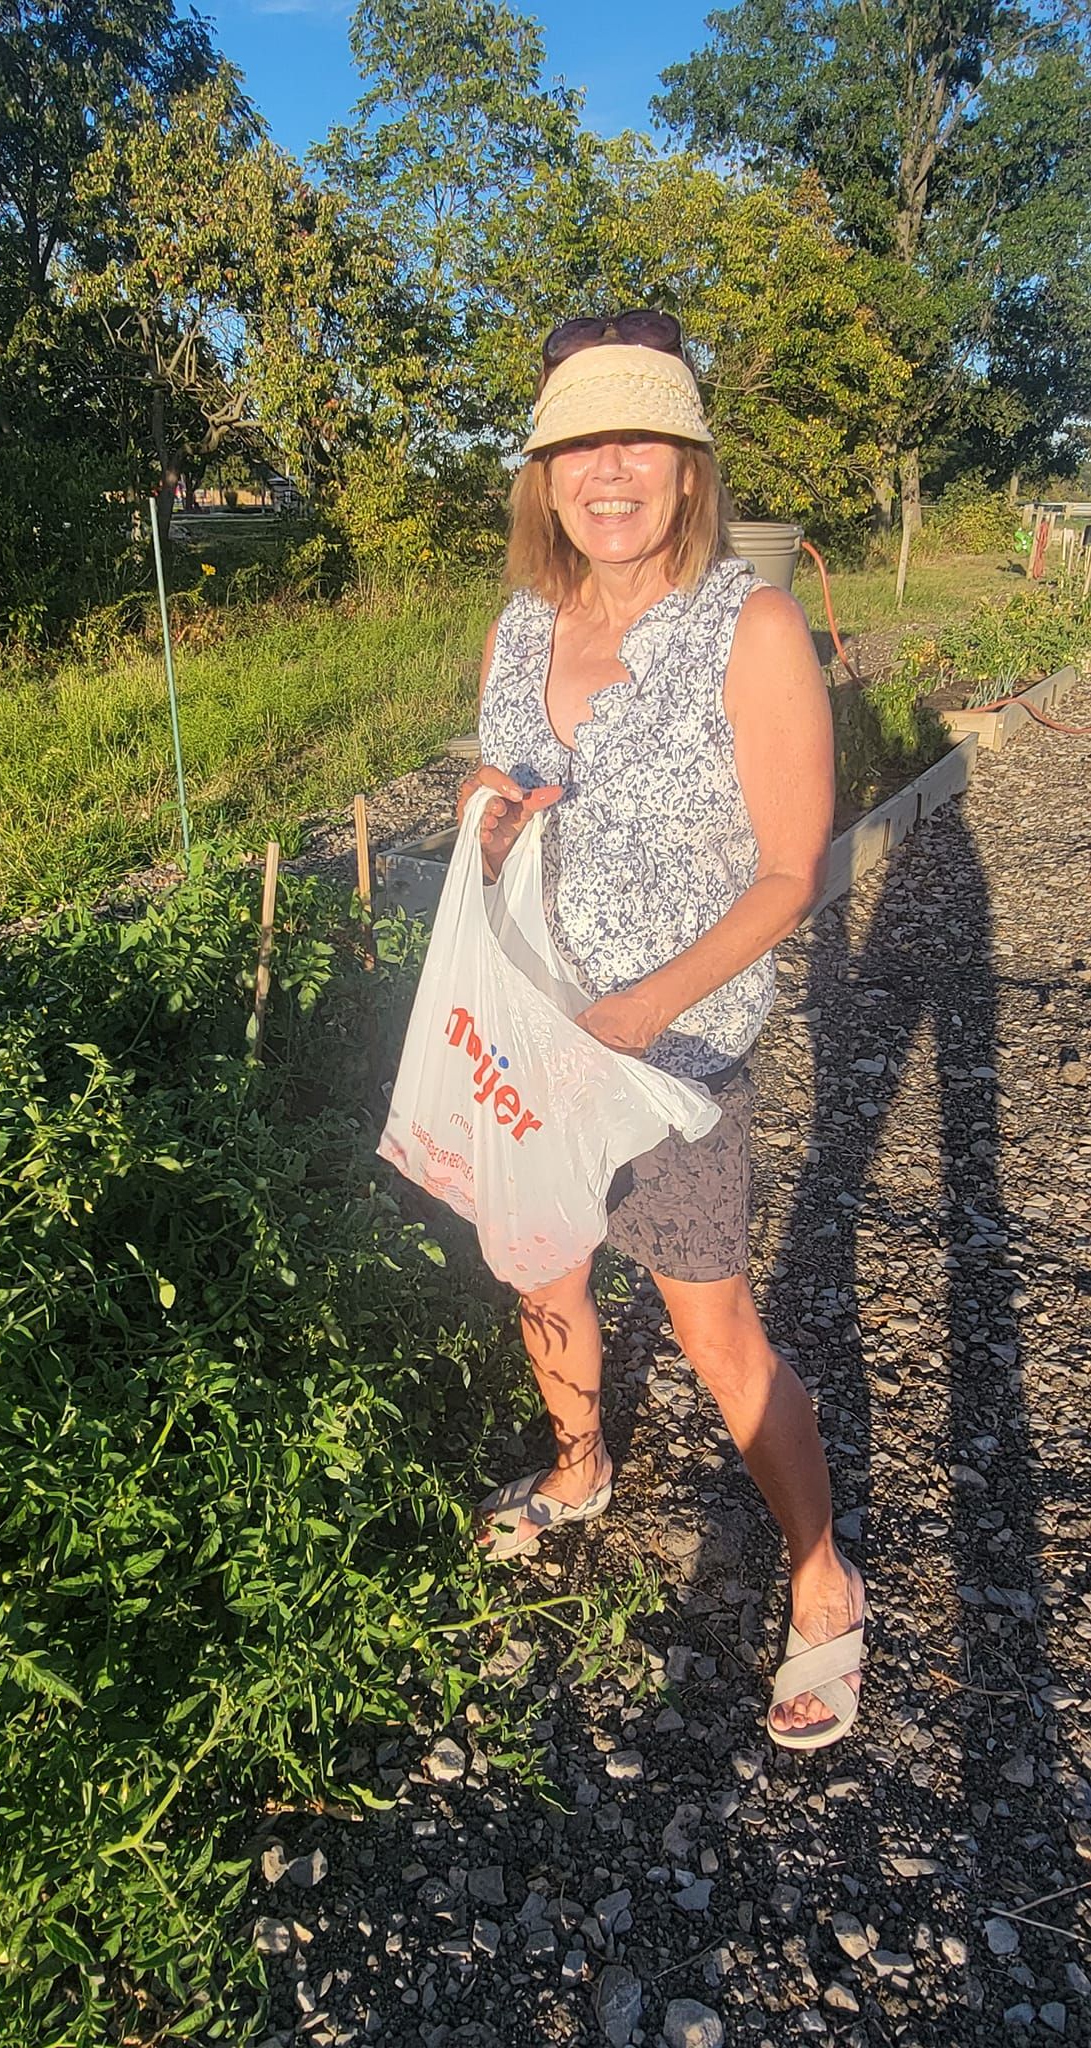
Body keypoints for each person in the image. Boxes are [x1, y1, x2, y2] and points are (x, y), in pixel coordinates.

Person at [456, 310, 865, 1751]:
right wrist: (489, 809)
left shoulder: (744, 626)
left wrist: (641, 1008)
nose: (606, 471)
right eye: (578, 445)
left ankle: (822, 1581)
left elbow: (790, 870)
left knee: (708, 1325)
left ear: (689, 468)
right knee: (540, 1268)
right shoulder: (522, 621)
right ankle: (579, 1467)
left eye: (637, 441)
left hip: (665, 1051)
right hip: (524, 1021)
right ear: (544, 474)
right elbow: (498, 770)